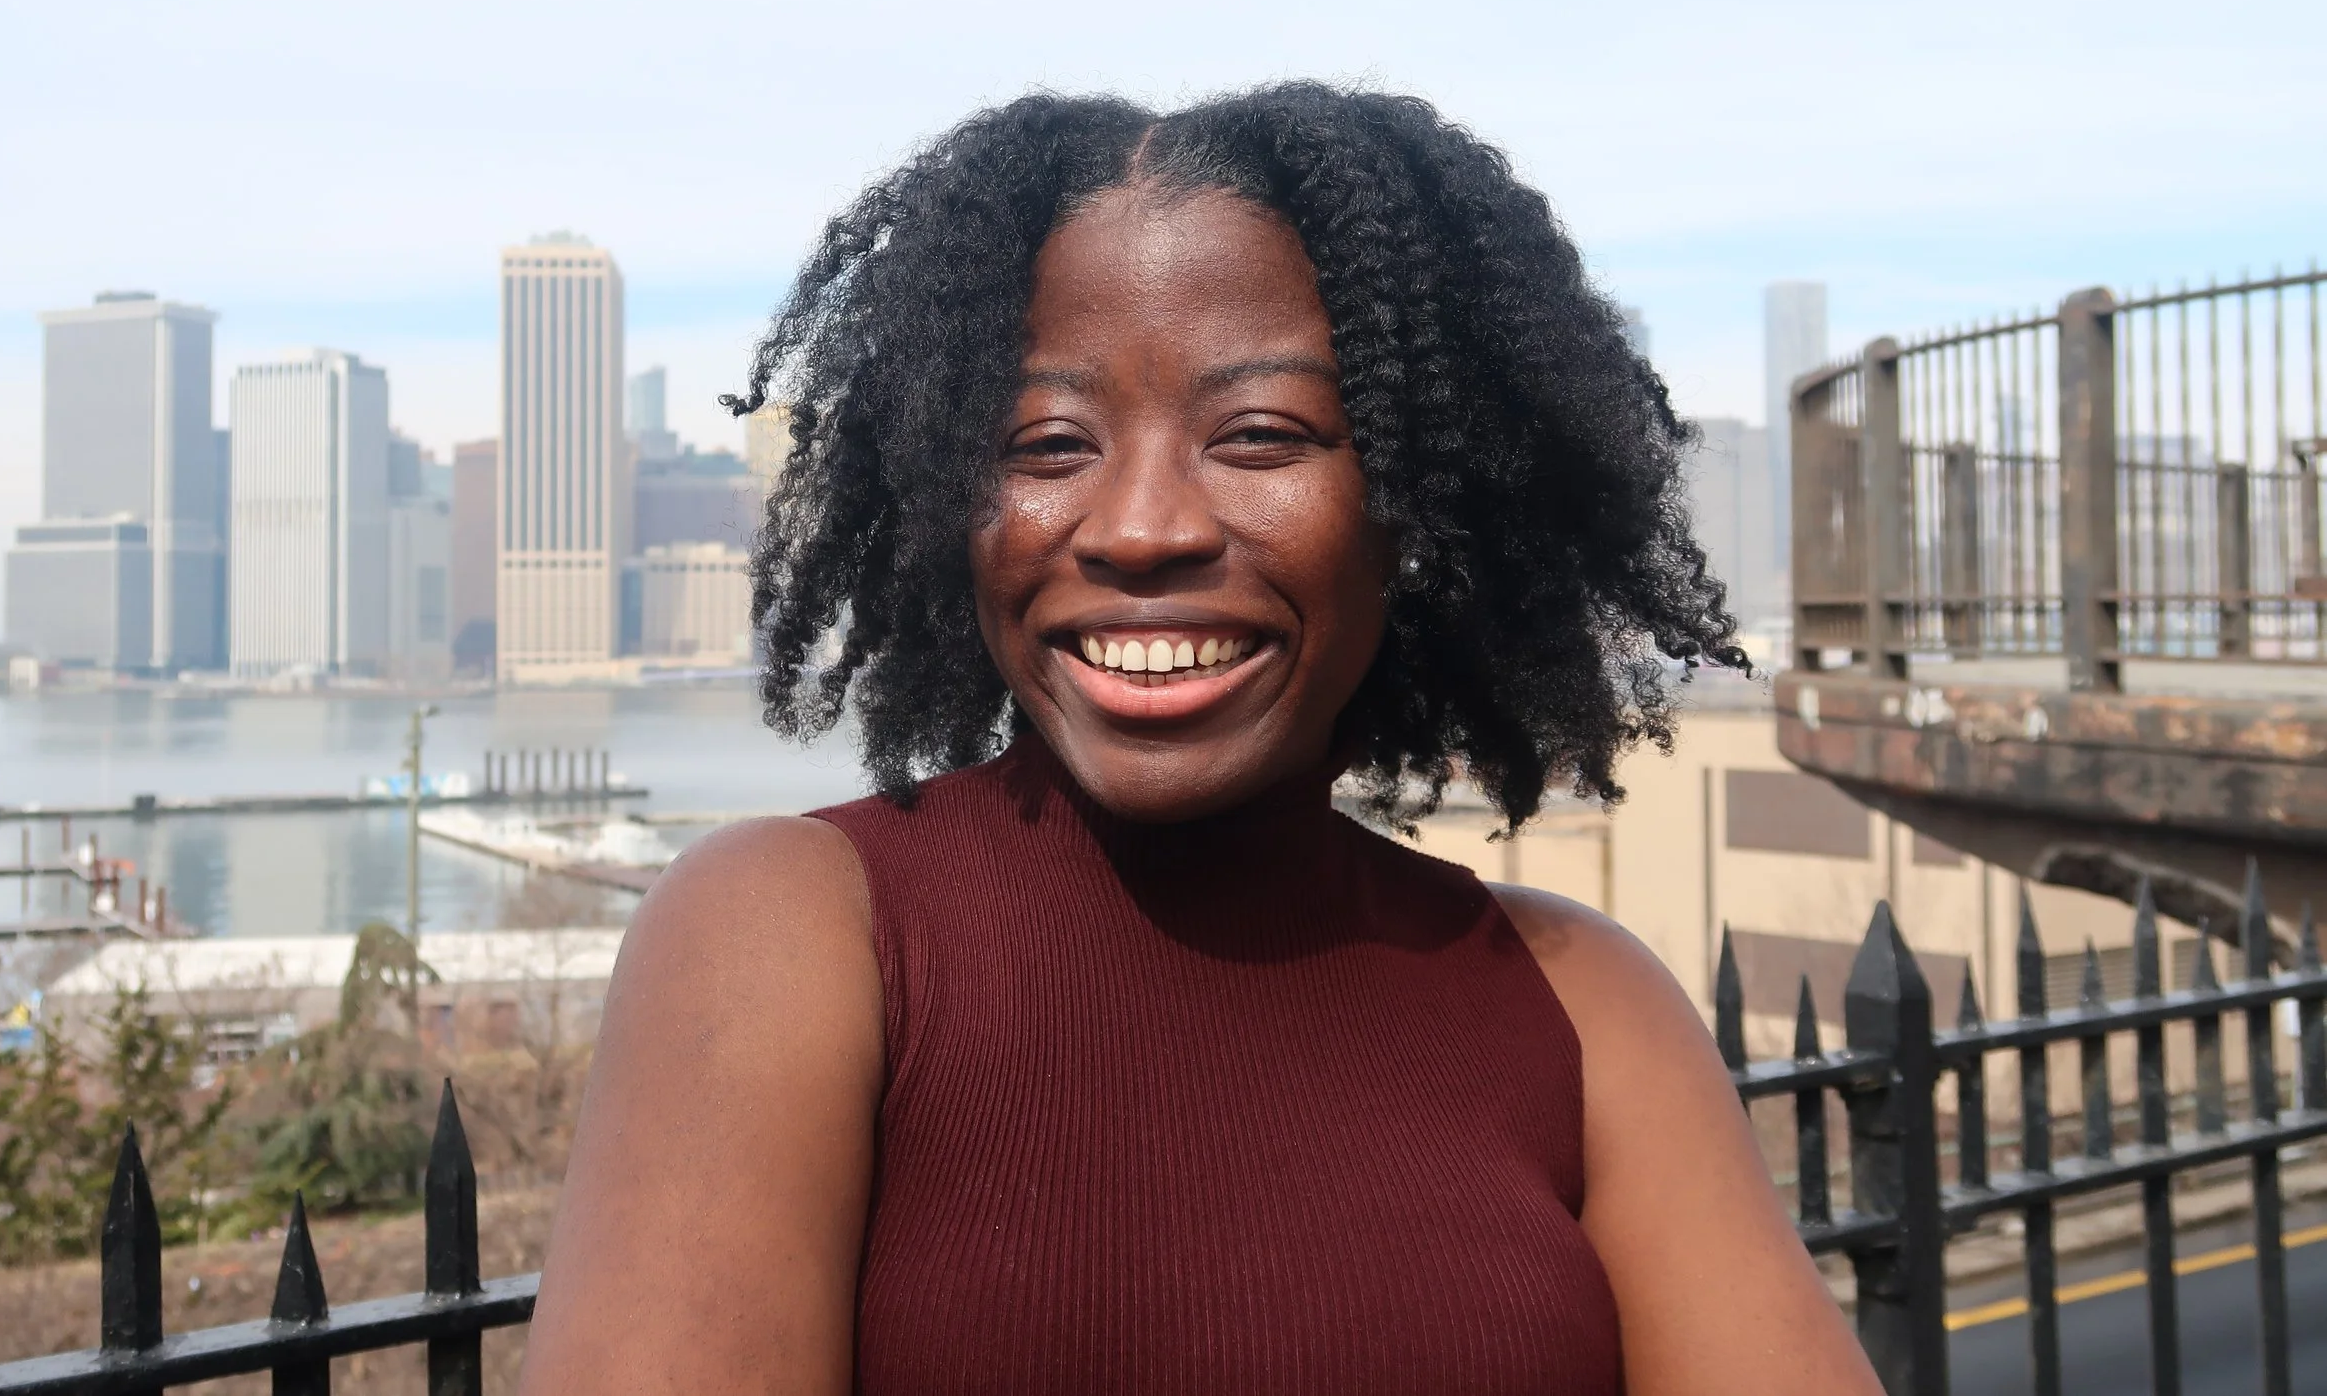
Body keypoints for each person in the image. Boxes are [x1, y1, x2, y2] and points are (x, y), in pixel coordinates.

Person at [520, 85, 1881, 1395]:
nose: (1141, 527)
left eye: (1261, 435)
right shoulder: (789, 938)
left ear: (1420, 500)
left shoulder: (1586, 1010)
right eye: (1047, 445)